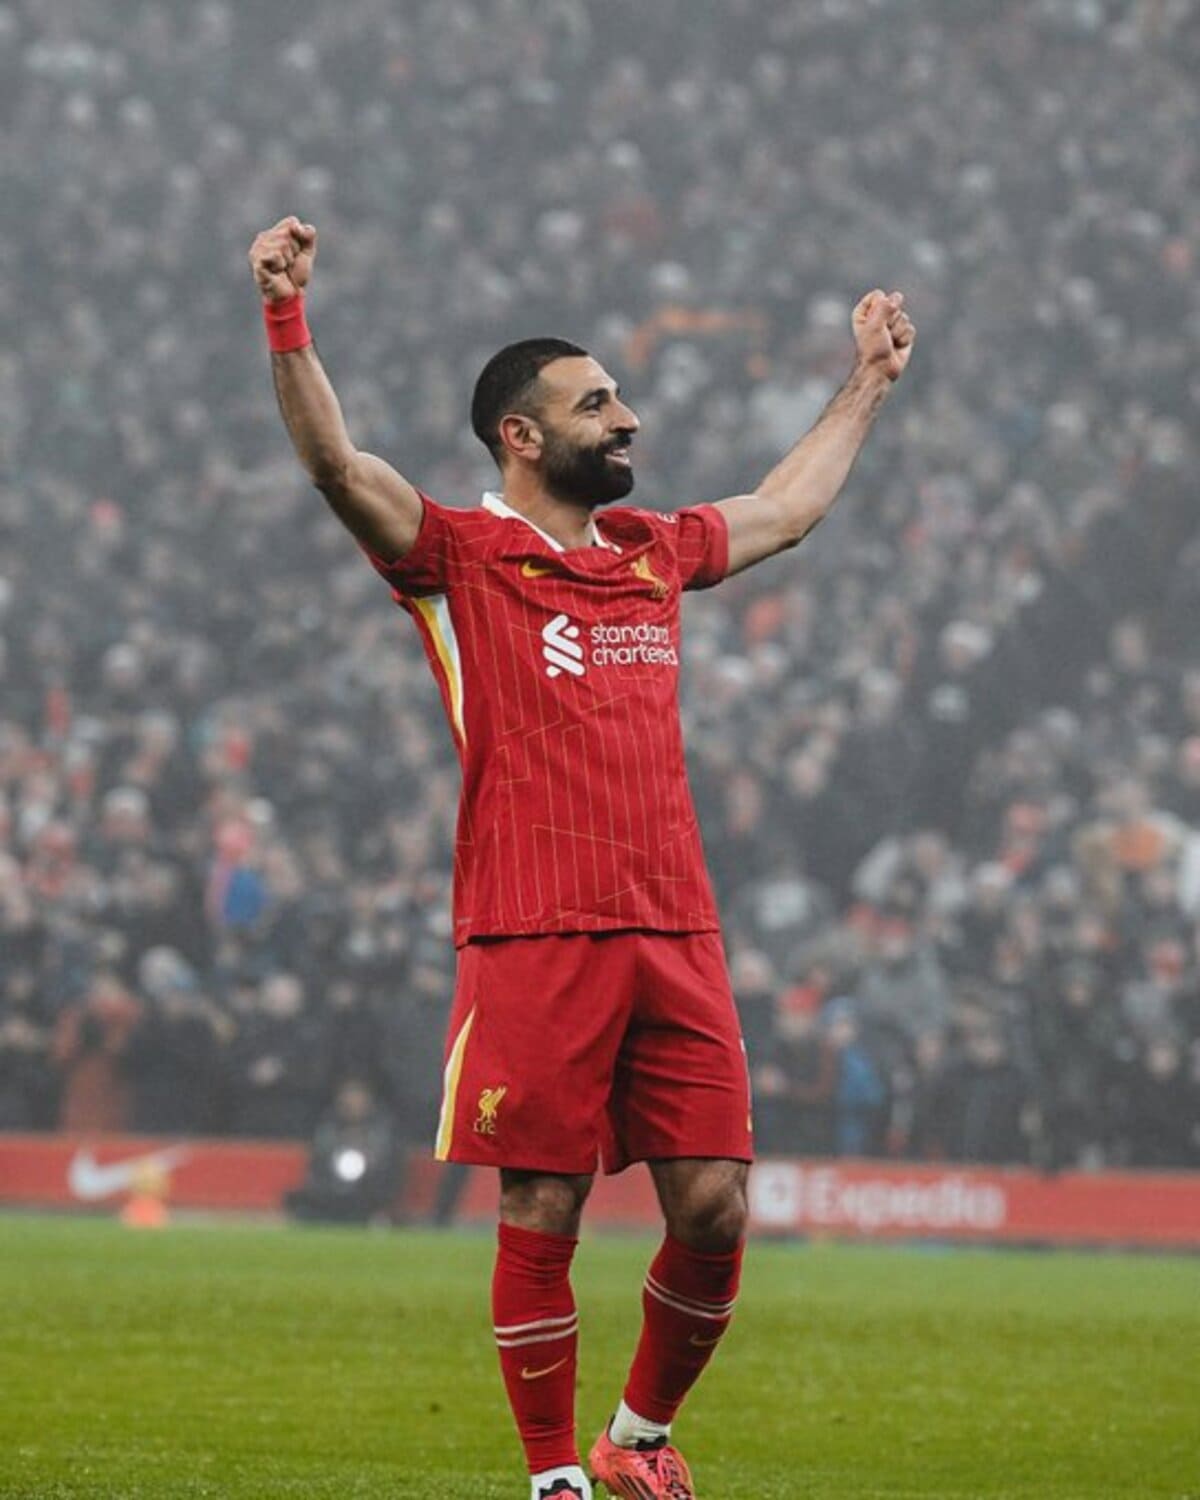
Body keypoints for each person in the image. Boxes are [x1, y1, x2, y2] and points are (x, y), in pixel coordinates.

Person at [249, 214, 915, 1500]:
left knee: (715, 1206)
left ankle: (639, 1441)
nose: (628, 420)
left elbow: (784, 508)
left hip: (674, 924)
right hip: (533, 928)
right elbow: (336, 464)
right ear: (523, 433)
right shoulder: (456, 556)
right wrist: (287, 314)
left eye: (619, 399)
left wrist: (869, 381)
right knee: (541, 1211)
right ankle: (555, 1476)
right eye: (597, 403)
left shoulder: (653, 553)